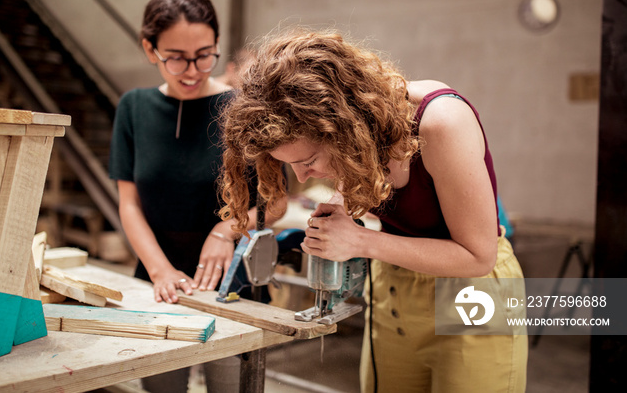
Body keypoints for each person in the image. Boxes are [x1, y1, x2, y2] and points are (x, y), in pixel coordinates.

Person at [218, 28, 528, 393]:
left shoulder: (440, 122)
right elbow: (355, 183)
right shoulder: (359, 136)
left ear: (345, 127)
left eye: (311, 160)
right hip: (395, 290)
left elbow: (478, 257)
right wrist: (337, 210)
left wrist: (361, 241)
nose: (303, 175)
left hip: (471, 297)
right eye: (292, 166)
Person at [109, 0, 281, 393]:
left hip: (233, 286)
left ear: (217, 45)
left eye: (204, 55)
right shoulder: (133, 108)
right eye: (175, 58)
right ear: (150, 49)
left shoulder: (244, 109)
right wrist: (160, 270)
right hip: (159, 286)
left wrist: (226, 230)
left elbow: (274, 203)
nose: (191, 70)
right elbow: (129, 205)